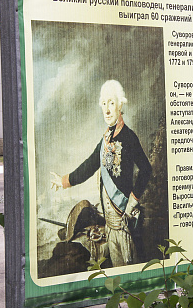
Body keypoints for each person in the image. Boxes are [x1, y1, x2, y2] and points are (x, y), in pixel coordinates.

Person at [51, 80, 152, 266]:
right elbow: (89, 165)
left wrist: (132, 202)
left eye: (111, 103)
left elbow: (146, 169)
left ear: (120, 105)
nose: (107, 110)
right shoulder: (105, 139)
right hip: (110, 225)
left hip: (125, 222)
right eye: (104, 104)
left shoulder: (129, 137)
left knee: (131, 267)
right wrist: (64, 181)